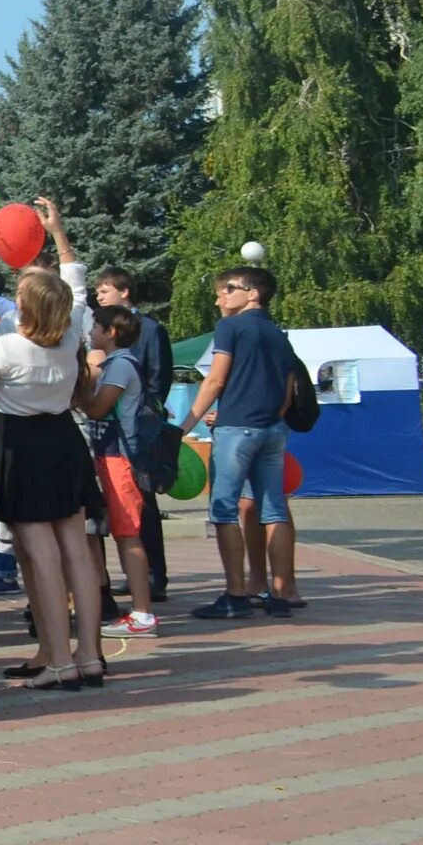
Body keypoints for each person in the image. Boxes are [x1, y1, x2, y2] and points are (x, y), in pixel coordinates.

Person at [0, 201, 105, 689]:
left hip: (21, 444)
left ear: (25, 305)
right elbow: (77, 285)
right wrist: (58, 233)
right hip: (63, 441)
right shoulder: (69, 337)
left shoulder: (4, 346)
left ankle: (60, 661)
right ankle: (89, 656)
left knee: (40, 555)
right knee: (77, 552)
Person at [180, 263, 305, 619]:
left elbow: (215, 380)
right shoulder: (277, 333)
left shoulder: (230, 327)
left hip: (237, 430)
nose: (221, 295)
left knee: (224, 510)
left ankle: (236, 595)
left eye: (229, 288)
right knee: (274, 510)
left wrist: (184, 426)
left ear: (254, 293)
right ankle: (280, 594)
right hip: (272, 430)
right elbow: (288, 388)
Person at [89, 267, 175, 604]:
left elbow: (159, 377)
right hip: (112, 437)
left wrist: (144, 408)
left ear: (125, 292)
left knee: (141, 510)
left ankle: (153, 577)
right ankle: (135, 577)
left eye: (106, 289)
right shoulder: (107, 347)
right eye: (97, 290)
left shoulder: (149, 331)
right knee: (124, 517)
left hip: (133, 434)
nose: (100, 295)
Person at [81, 308, 164, 639]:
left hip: (121, 458)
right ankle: (139, 611)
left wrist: (76, 388)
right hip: (108, 455)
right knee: (121, 532)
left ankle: (143, 613)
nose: (91, 333)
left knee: (128, 533)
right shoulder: (115, 363)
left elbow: (99, 407)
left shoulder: (121, 365)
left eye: (97, 327)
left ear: (111, 332)